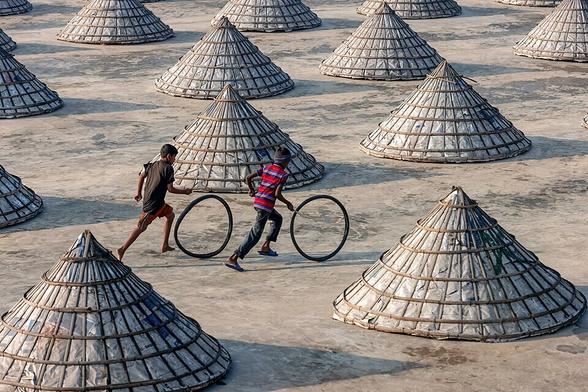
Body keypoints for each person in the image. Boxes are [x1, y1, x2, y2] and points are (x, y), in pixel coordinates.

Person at [117, 144, 192, 260]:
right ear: (168, 156)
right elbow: (171, 189)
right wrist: (185, 191)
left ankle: (165, 245)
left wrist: (139, 193)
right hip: (153, 205)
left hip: (157, 202)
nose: (174, 160)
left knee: (170, 215)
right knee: (141, 227)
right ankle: (122, 248)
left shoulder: (152, 164)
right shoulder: (168, 168)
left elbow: (141, 176)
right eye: (174, 157)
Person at [225, 147, 295, 272]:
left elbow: (248, 177)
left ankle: (266, 247)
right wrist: (288, 203)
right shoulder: (283, 175)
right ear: (286, 162)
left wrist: (251, 189)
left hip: (258, 202)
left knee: (278, 219)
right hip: (265, 206)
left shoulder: (267, 168)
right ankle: (234, 257)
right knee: (255, 233)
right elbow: (277, 194)